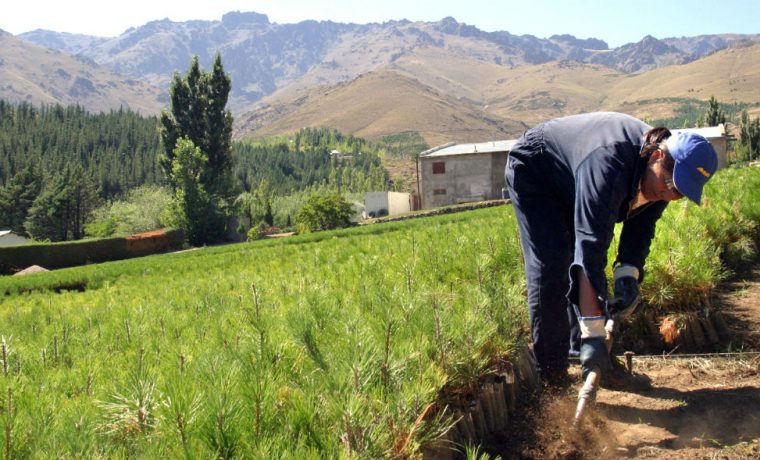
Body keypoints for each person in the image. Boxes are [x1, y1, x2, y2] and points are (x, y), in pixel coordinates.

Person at [504, 112, 718, 389]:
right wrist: (595, 332)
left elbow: (641, 228)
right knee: (552, 268)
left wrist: (628, 273)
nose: (669, 196)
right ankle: (552, 377)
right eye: (668, 185)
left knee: (578, 273)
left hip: (575, 177)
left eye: (678, 193)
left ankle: (587, 356)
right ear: (655, 157)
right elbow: (590, 249)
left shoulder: (664, 179)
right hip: (537, 169)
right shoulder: (611, 164)